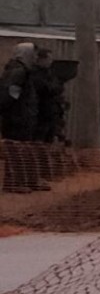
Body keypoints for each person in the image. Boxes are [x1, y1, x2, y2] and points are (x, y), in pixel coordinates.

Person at [1, 43, 43, 193]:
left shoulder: (24, 71)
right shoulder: (18, 71)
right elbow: (10, 95)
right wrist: (13, 114)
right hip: (16, 119)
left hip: (23, 117)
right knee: (15, 151)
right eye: (34, 54)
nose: (36, 58)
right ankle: (13, 183)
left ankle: (27, 180)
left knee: (24, 150)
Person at [29, 48, 65, 181]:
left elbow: (57, 88)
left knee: (48, 145)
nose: (51, 61)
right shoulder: (35, 74)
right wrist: (55, 87)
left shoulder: (49, 73)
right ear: (41, 59)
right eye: (49, 58)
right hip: (40, 115)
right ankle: (37, 175)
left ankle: (46, 174)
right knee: (38, 146)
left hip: (51, 114)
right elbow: (48, 89)